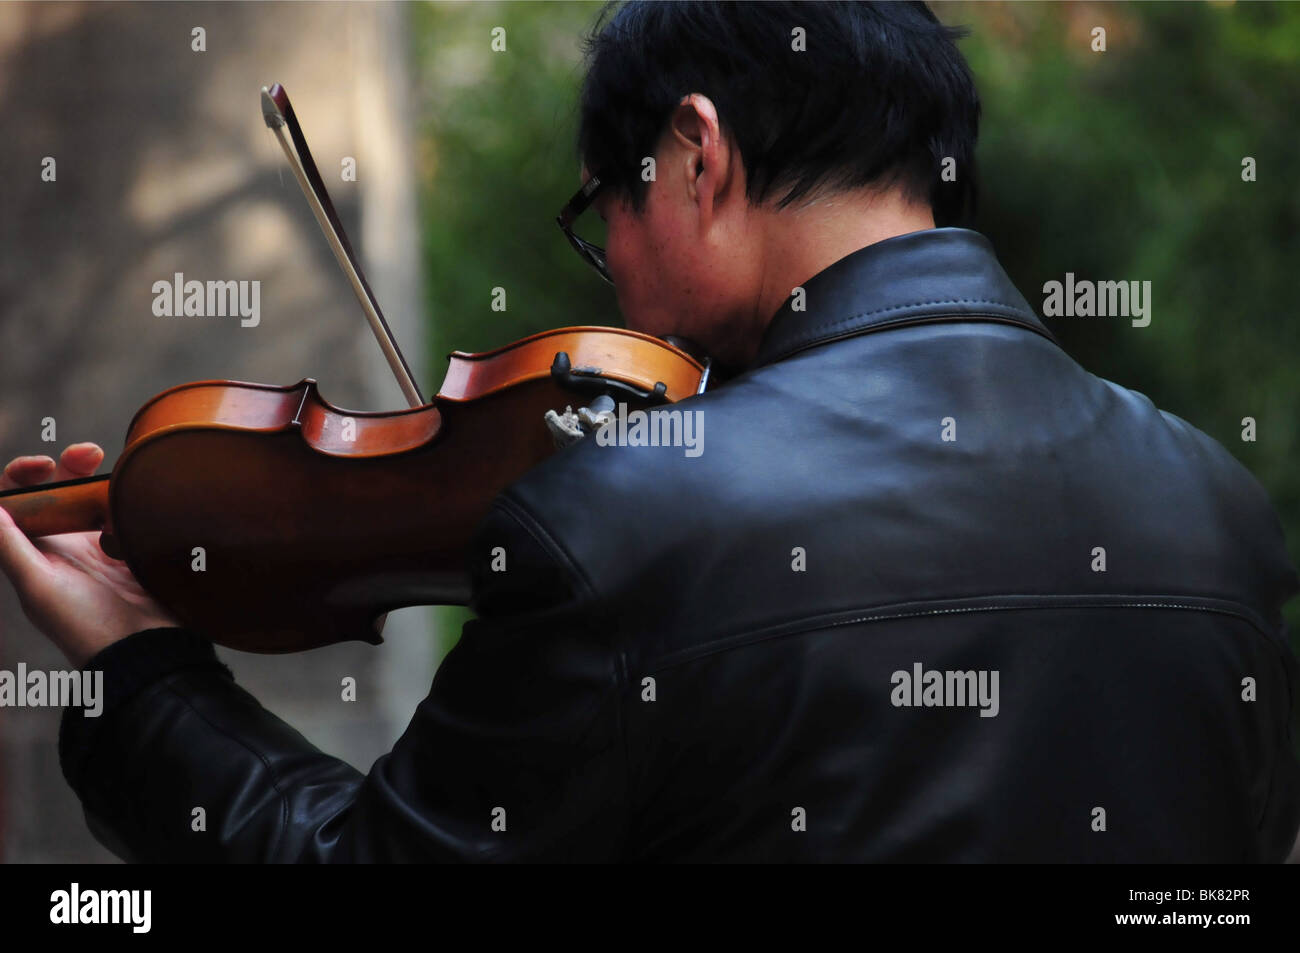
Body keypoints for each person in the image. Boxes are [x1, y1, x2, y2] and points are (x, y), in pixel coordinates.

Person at [1, 0, 1297, 862]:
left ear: (694, 153)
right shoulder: (1218, 509)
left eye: (601, 210)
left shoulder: (628, 519)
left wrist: (144, 670)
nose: (609, 266)